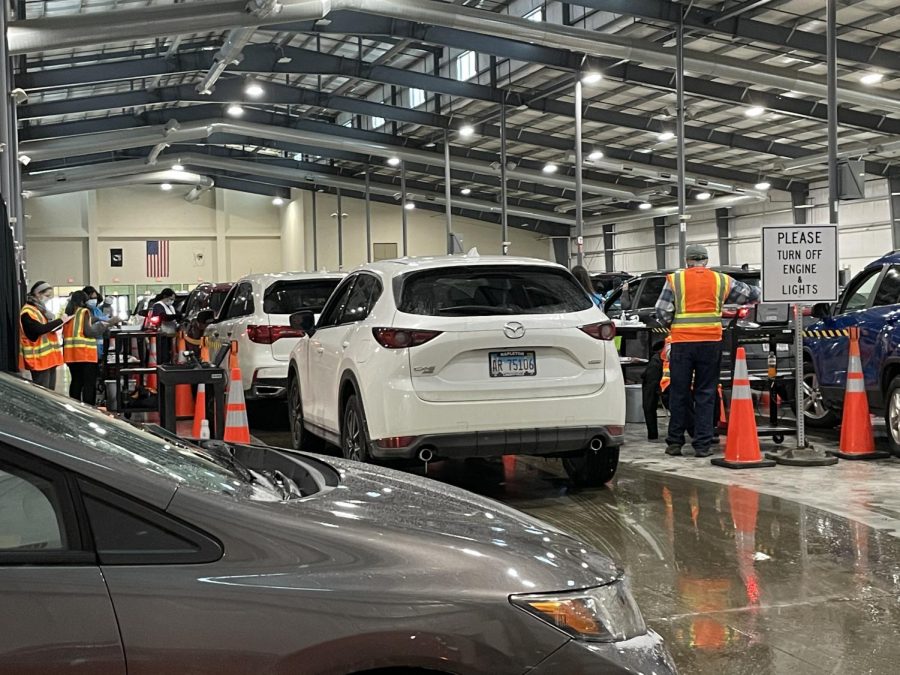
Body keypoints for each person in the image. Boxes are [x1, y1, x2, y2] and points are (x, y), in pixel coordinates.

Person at [654, 244, 760, 457]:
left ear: (687, 261)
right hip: (711, 342)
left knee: (679, 392)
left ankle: (675, 442)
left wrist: (673, 325)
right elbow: (750, 294)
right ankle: (702, 445)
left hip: (682, 343)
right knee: (706, 392)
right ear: (706, 260)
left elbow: (661, 310)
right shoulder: (721, 280)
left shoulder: (676, 280)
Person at [63, 290, 108, 404]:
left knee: (76, 382)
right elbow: (89, 332)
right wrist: (104, 325)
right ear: (83, 301)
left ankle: (74, 405)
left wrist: (97, 318)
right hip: (85, 354)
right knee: (89, 384)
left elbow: (82, 324)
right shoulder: (84, 312)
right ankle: (89, 408)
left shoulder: (69, 312)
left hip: (72, 355)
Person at [19, 281, 66, 390]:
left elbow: (47, 328)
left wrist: (57, 324)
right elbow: (38, 330)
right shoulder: (28, 311)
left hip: (49, 359)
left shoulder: (41, 310)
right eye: (47, 296)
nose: (48, 299)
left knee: (50, 393)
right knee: (43, 393)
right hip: (38, 359)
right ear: (38, 294)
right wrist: (59, 321)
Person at [145, 288, 181, 364]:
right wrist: (176, 316)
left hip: (171, 335)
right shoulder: (158, 306)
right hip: (162, 335)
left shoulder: (170, 307)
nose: (172, 301)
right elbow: (163, 316)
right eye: (171, 299)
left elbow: (176, 315)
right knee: (164, 356)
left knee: (170, 355)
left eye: (173, 299)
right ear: (165, 296)